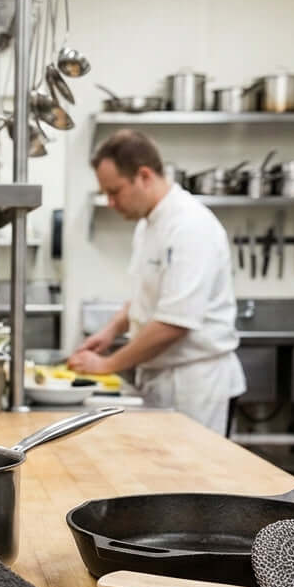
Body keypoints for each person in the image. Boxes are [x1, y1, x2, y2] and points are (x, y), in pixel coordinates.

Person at [70, 130, 246, 435]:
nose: (110, 202)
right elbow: (147, 295)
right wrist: (112, 330)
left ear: (144, 176)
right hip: (161, 377)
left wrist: (107, 365)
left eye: (115, 191)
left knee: (193, 479)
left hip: (194, 385)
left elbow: (174, 323)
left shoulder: (190, 227)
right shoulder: (148, 224)